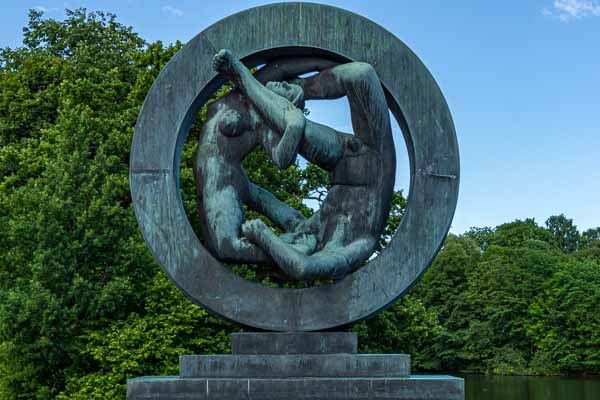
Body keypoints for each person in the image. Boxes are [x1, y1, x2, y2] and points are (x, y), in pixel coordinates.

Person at [206, 49, 395, 281]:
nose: (289, 239)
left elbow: (262, 199)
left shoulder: (306, 229)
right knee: (361, 74)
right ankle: (294, 91)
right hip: (374, 159)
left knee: (297, 127)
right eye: (288, 243)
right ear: (302, 249)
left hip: (346, 158)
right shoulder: (358, 245)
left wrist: (224, 174)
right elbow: (304, 269)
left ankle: (244, 78)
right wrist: (264, 236)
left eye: (286, 241)